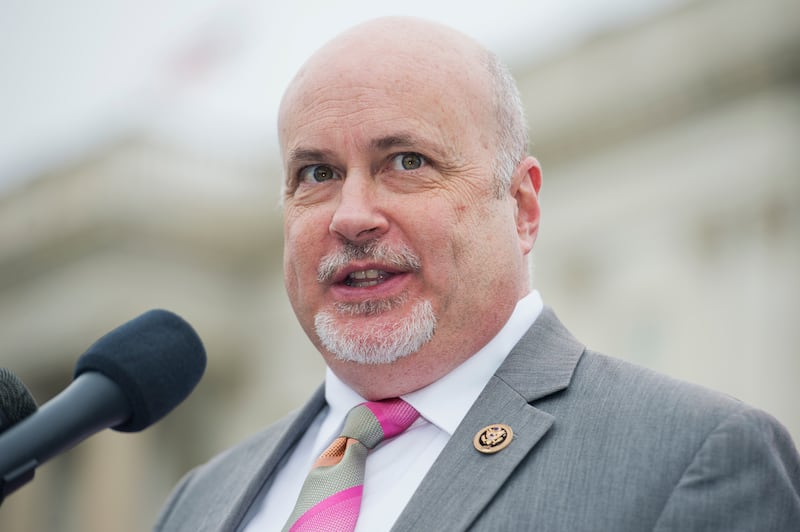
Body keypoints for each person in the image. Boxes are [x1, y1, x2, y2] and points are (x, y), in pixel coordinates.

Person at [154, 16, 800, 531]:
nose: (353, 217)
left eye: (406, 161)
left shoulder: (694, 456)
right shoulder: (199, 503)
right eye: (317, 174)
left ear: (521, 207)